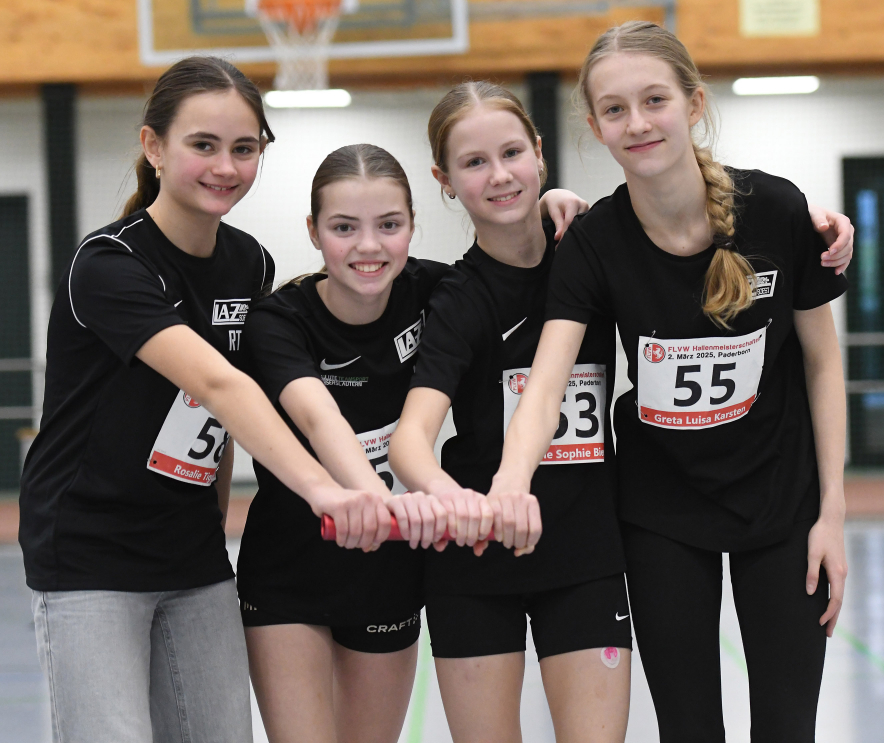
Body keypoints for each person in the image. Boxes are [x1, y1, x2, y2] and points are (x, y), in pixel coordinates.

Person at [492, 21, 848, 742]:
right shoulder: (594, 243)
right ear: (595, 125)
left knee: (788, 727)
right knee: (688, 727)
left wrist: (833, 511)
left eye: (654, 100)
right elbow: (547, 384)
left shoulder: (777, 211)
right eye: (615, 109)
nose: (637, 123)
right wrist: (510, 481)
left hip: (782, 502)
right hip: (661, 512)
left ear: (693, 103)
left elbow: (822, 361)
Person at [18, 57, 391, 743]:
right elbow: (218, 384)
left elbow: (220, 421)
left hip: (193, 558)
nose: (226, 166)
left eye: (244, 148)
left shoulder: (249, 262)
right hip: (91, 559)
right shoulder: (108, 265)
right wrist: (326, 489)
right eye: (203, 145)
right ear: (154, 147)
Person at [236, 141, 590, 743]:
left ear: (412, 226)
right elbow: (321, 421)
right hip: (290, 571)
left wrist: (545, 205)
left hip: (390, 571)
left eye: (389, 225)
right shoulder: (278, 320)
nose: (368, 246)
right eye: (343, 228)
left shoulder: (436, 292)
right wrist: (374, 497)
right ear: (313, 231)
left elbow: (513, 270)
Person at [389, 82, 634, 743]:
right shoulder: (457, 300)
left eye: (511, 153)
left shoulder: (590, 253)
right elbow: (410, 439)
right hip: (475, 561)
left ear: (540, 153)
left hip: (584, 554)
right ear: (445, 181)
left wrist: (804, 221)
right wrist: (452, 497)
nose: (499, 175)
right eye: (474, 162)